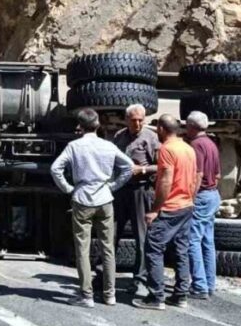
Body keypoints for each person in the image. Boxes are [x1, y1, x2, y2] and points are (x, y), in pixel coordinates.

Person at [51, 108, 134, 308]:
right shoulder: (108, 145)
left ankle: (86, 295)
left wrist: (68, 188)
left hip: (82, 199)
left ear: (79, 126)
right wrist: (113, 186)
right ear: (97, 125)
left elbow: (56, 169)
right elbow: (129, 167)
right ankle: (110, 294)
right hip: (105, 199)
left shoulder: (74, 146)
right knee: (108, 248)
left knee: (82, 249)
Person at [133, 114, 198, 310]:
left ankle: (156, 297)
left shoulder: (167, 149)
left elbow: (165, 181)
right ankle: (180, 295)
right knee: (181, 250)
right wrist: (190, 200)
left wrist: (155, 210)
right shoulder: (188, 148)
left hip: (170, 208)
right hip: (186, 206)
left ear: (161, 128)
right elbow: (195, 178)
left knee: (153, 249)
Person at [111, 103, 160, 296]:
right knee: (111, 233)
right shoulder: (119, 136)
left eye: (141, 120)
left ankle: (139, 279)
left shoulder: (151, 138)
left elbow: (162, 166)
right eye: (133, 120)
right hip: (121, 190)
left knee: (141, 237)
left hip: (141, 190)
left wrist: (144, 170)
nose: (137, 124)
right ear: (126, 120)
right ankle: (105, 275)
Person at [185, 111, 221, 300]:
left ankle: (199, 286)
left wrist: (191, 197)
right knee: (208, 242)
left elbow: (198, 174)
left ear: (191, 126)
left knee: (193, 240)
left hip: (202, 196)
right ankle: (209, 283)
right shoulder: (212, 144)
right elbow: (217, 175)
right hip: (214, 195)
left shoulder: (196, 145)